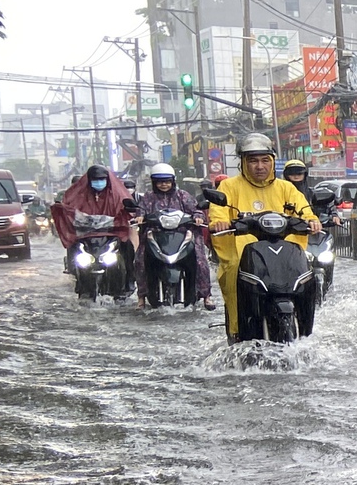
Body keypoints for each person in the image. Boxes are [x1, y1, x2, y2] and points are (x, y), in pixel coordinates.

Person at [206, 133, 317, 340]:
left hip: (283, 249)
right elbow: (218, 212)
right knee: (232, 270)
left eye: (265, 160)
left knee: (308, 274)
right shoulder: (229, 186)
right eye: (253, 160)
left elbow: (303, 210)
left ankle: (305, 327)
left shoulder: (286, 187)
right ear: (243, 163)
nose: (260, 166)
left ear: (273, 161)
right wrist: (219, 222)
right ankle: (237, 331)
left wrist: (312, 220)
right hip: (243, 250)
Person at [132, 163, 214, 309]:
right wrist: (140, 217)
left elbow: (196, 209)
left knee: (200, 259)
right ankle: (142, 296)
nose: (164, 185)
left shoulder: (183, 195)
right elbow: (141, 210)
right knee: (140, 260)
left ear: (173, 181)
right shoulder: (148, 198)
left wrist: (198, 217)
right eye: (160, 182)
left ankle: (206, 295)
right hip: (156, 235)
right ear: (154, 182)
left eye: (167, 181)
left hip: (182, 234)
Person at [50, 163, 136, 287]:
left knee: (127, 248)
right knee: (73, 247)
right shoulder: (78, 196)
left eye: (102, 179)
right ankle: (76, 277)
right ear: (89, 181)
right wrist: (62, 209)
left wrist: (128, 211)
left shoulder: (116, 195)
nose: (99, 182)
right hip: (86, 235)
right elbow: (69, 208)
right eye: (95, 180)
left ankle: (129, 281)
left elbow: (126, 210)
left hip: (112, 234)